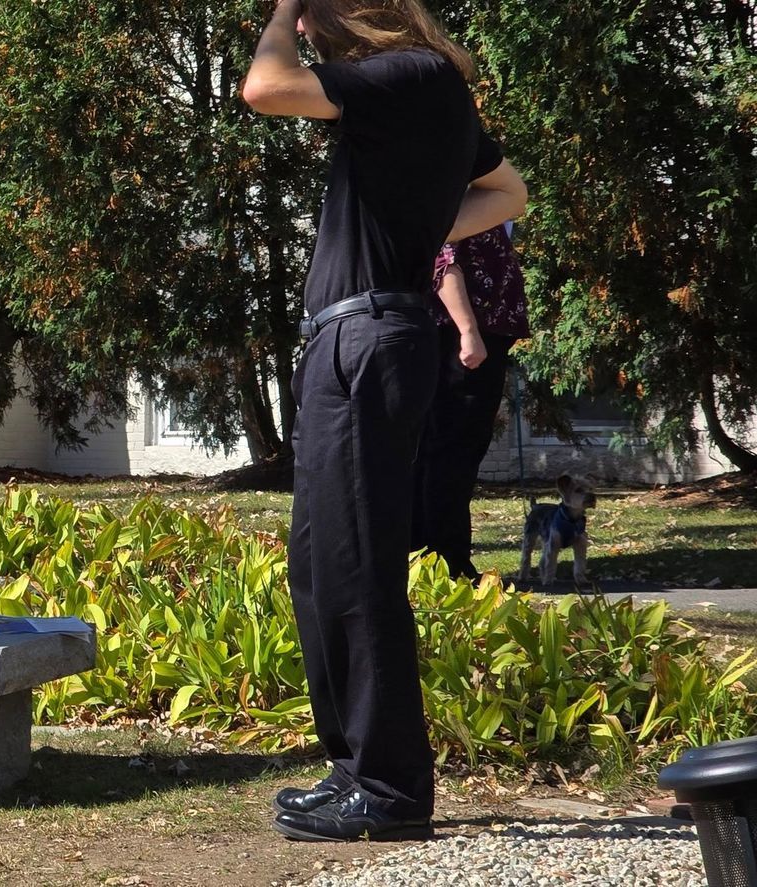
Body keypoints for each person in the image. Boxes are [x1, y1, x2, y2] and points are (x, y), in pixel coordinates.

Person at [242, 0, 527, 842]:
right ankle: (355, 768)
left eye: (314, 16)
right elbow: (508, 192)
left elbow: (264, 87)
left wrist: (281, 9)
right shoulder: (415, 88)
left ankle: (393, 790)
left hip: (368, 339)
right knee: (319, 566)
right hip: (349, 340)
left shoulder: (413, 74)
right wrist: (421, 222)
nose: (305, 32)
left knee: (359, 566)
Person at [411, 223, 530, 580]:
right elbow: (443, 261)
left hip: (478, 335)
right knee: (451, 452)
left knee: (455, 451)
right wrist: (468, 330)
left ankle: (434, 560)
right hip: (459, 339)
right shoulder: (464, 198)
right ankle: (446, 565)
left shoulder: (481, 202)